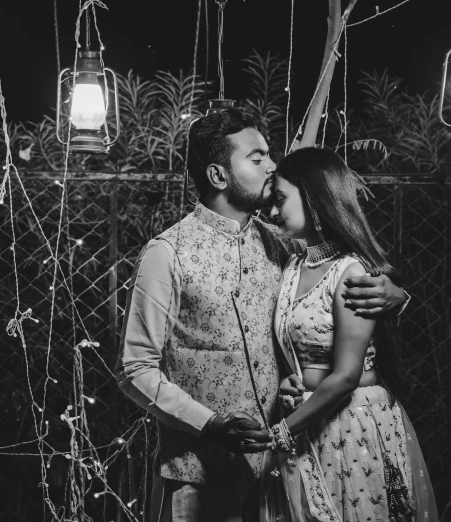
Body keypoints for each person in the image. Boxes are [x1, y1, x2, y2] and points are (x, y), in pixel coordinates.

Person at [115, 109, 408, 522]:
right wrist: (211, 424)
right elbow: (135, 369)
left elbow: (337, 279)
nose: (272, 166)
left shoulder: (281, 245)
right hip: (198, 473)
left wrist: (396, 295)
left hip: (283, 469)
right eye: (256, 158)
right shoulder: (167, 253)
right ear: (219, 176)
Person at [262, 146, 437, 522]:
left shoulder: (351, 272)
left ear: (314, 198)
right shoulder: (294, 263)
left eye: (280, 200)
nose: (272, 212)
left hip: (347, 421)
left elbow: (345, 376)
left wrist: (278, 434)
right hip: (309, 417)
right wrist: (288, 380)